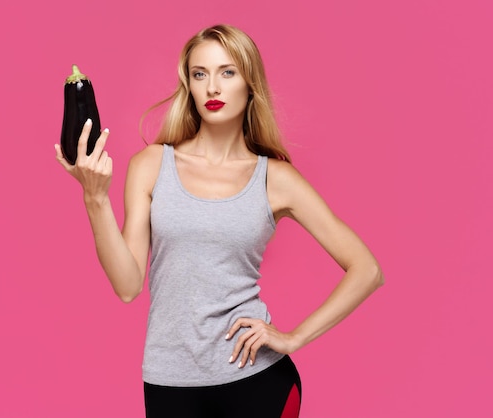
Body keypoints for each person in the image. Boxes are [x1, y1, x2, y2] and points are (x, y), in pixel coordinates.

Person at [55, 24, 384, 418]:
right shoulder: (151, 166)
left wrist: (294, 337)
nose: (212, 87)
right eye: (200, 74)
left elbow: (367, 269)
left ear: (249, 83)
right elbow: (127, 286)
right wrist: (95, 198)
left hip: (256, 381)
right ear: (189, 86)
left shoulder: (275, 179)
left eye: (227, 72)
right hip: (169, 383)